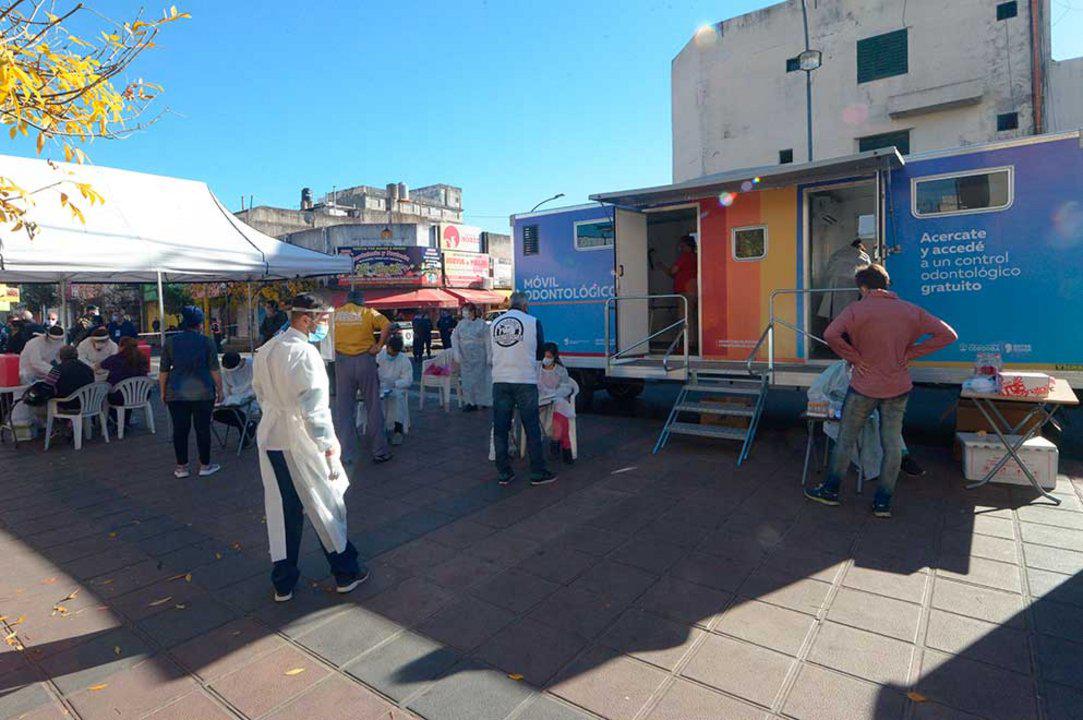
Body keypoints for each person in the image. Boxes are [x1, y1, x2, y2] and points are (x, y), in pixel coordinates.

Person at [804, 264, 957, 518]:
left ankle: (830, 491)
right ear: (886, 284)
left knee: (846, 439)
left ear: (863, 288)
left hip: (863, 386)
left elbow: (831, 334)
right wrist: (911, 352)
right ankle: (883, 503)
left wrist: (853, 357)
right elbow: (948, 335)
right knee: (892, 444)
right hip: (898, 387)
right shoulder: (910, 310)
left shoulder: (856, 309)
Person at [252, 292, 367, 602]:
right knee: (324, 503)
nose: (326, 326)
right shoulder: (304, 354)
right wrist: (328, 445)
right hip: (300, 439)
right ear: (307, 319)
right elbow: (314, 408)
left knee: (282, 508)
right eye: (324, 319)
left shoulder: (266, 350)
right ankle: (345, 571)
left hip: (271, 437)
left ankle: (283, 582)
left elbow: (260, 393)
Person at [490, 291, 556, 486]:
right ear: (525, 306)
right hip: (524, 380)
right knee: (532, 427)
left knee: (501, 428)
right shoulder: (532, 321)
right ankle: (537, 472)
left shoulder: (495, 323)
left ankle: (504, 473)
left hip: (500, 380)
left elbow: (491, 351)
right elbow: (538, 353)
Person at [159, 306, 223, 479]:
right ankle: (205, 465)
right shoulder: (207, 342)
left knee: (180, 429)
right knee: (202, 429)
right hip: (203, 392)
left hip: (176, 392)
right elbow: (214, 369)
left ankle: (181, 467)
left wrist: (162, 391)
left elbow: (164, 370)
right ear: (200, 324)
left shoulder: (170, 343)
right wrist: (220, 389)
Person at [333, 290, 393, 465]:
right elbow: (387, 325)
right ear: (361, 302)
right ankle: (379, 451)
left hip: (342, 362)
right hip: (365, 360)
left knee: (344, 410)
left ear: (346, 301)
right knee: (373, 406)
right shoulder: (368, 312)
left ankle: (346, 454)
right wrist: (379, 345)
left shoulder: (336, 314)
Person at [538, 342, 576, 465]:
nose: (546, 359)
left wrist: (555, 393)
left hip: (556, 399)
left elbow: (566, 387)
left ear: (554, 357)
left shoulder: (560, 370)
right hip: (541, 401)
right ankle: (566, 446)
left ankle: (558, 441)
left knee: (560, 411)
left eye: (549, 357)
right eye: (545, 356)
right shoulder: (536, 369)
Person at [818, 240, 873, 321]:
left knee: (836, 313)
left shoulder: (838, 254)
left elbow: (828, 271)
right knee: (851, 313)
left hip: (835, 285)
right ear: (860, 246)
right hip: (852, 286)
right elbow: (869, 273)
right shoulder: (863, 256)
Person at [451, 302, 492, 411]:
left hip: (480, 356)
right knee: (467, 380)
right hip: (466, 357)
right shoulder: (461, 324)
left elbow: (488, 340)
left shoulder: (482, 324)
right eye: (463, 310)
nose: (464, 313)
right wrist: (457, 354)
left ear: (472, 311)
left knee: (481, 379)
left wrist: (489, 356)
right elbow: (454, 338)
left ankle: (483, 401)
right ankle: (470, 402)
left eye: (466, 310)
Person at [376, 335, 412, 446]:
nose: (392, 356)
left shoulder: (403, 359)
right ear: (387, 347)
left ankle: (398, 429)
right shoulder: (379, 356)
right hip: (380, 386)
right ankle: (379, 429)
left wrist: (395, 384)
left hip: (396, 387)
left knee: (398, 398)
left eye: (395, 354)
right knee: (376, 400)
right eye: (390, 353)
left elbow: (408, 380)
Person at [214, 351, 258, 440]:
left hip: (251, 398)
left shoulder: (253, 365)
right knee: (217, 414)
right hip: (233, 399)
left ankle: (246, 428)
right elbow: (225, 389)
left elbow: (259, 385)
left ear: (241, 361)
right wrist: (221, 398)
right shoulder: (225, 370)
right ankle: (247, 425)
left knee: (238, 412)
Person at [664, 235, 698, 349]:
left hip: (685, 291)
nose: (680, 247)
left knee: (684, 317)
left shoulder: (685, 257)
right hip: (692, 290)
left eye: (681, 245)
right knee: (690, 316)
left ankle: (687, 344)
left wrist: (662, 267)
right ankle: (690, 342)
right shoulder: (695, 256)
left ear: (686, 245)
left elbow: (673, 271)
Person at [42, 345, 94, 412]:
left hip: (67, 403)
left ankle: (56, 420)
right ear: (77, 355)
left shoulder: (58, 369)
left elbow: (47, 386)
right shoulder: (88, 368)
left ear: (61, 356)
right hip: (87, 403)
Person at [101, 337, 149, 406]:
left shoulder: (115, 359)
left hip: (120, 397)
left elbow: (100, 366)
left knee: (106, 393)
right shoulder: (142, 358)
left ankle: (108, 415)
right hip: (142, 394)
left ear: (122, 347)